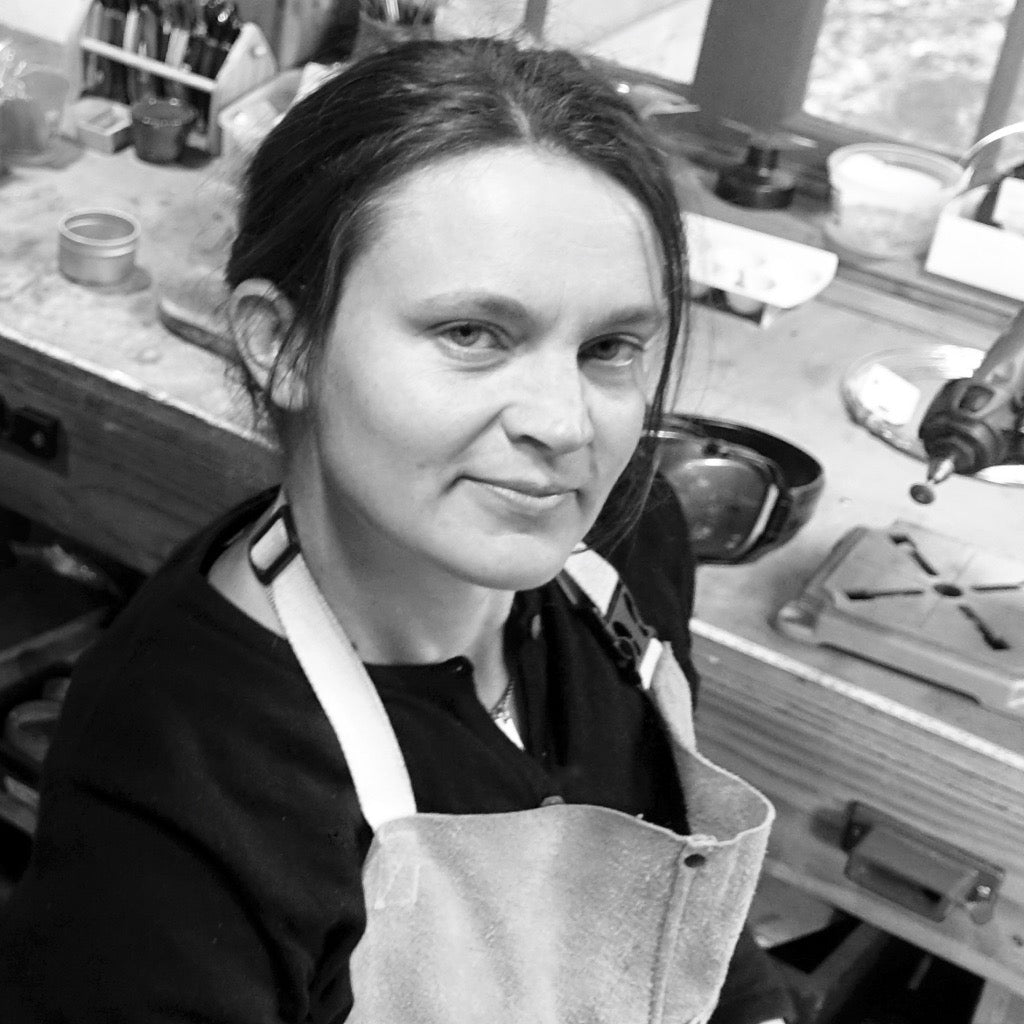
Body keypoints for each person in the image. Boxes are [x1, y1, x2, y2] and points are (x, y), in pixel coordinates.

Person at [0, 37, 793, 1024]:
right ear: (283, 344)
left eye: (607, 347)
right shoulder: (176, 785)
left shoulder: (625, 545)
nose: (564, 425)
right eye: (472, 334)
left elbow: (690, 927)